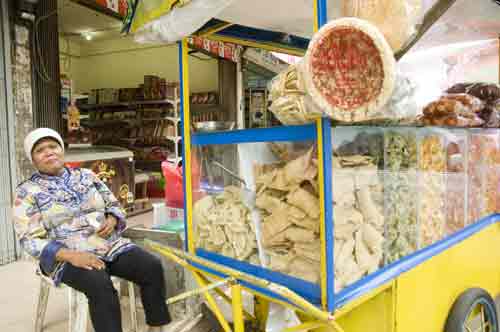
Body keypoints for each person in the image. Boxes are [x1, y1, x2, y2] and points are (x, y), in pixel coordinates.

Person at [13, 128, 175, 332]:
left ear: (62, 150)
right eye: (40, 150)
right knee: (100, 285)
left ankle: (156, 327)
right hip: (64, 255)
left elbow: (113, 203)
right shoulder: (26, 192)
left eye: (53, 146)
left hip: (106, 245)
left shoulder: (87, 175)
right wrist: (71, 256)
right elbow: (28, 238)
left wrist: (113, 218)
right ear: (33, 159)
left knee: (150, 266)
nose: (49, 152)